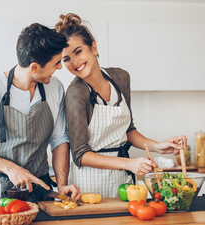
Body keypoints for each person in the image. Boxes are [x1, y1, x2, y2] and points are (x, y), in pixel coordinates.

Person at [54, 13, 188, 198]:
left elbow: (128, 131)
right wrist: (129, 164)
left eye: (78, 52)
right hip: (89, 184)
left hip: (123, 181)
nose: (74, 62)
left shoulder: (120, 78)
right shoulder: (76, 93)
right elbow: (80, 155)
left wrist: (157, 146)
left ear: (93, 47)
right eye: (66, 59)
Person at [0, 23, 81, 202]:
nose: (59, 67)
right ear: (34, 67)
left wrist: (61, 185)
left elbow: (59, 140)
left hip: (41, 191)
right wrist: (10, 168)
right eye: (56, 63)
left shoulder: (55, 88)